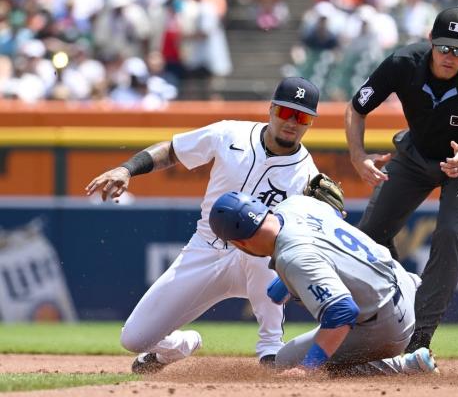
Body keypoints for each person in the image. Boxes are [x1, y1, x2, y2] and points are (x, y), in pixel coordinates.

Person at [85, 77, 321, 373]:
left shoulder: (308, 175)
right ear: (271, 110)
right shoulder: (229, 133)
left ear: (311, 122)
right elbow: (173, 150)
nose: (293, 122)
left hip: (257, 260)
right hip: (205, 249)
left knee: (267, 240)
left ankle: (270, 348)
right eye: (287, 112)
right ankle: (178, 347)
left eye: (303, 117)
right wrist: (127, 169)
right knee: (133, 338)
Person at [344, 6, 458, 353]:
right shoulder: (402, 64)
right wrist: (358, 156)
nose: (450, 56)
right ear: (430, 39)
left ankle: (419, 339)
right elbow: (356, 108)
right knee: (369, 236)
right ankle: (393, 309)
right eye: (444, 47)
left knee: (449, 233)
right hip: (416, 153)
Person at [208, 190, 439, 376]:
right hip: (403, 284)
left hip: (387, 326)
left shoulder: (294, 258)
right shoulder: (296, 204)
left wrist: (307, 369)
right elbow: (334, 219)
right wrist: (289, 280)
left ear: (240, 244)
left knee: (285, 362)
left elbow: (342, 313)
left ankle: (404, 367)